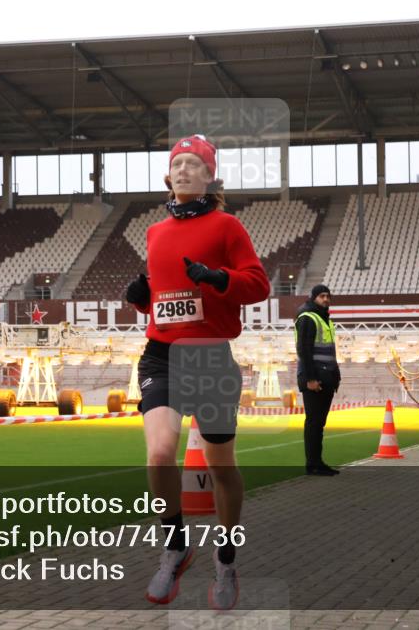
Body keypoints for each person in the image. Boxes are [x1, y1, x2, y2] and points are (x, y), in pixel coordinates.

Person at [123, 134, 270, 609]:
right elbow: (164, 304)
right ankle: (175, 546)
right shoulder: (154, 233)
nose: (184, 170)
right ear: (168, 177)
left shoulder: (227, 226)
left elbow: (259, 285)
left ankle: (225, 558)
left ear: (209, 176)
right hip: (162, 355)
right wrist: (143, 297)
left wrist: (218, 278)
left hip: (210, 357)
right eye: (177, 164)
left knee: (220, 467)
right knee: (160, 452)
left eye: (194, 164)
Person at [295, 284, 341, 476]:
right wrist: (310, 379)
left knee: (319, 423)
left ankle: (318, 462)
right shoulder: (308, 317)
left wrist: (336, 374)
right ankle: (312, 464)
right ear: (313, 297)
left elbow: (330, 351)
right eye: (322, 296)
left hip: (327, 377)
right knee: (314, 423)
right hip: (315, 379)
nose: (326, 299)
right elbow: (304, 351)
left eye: (328, 296)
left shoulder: (325, 320)